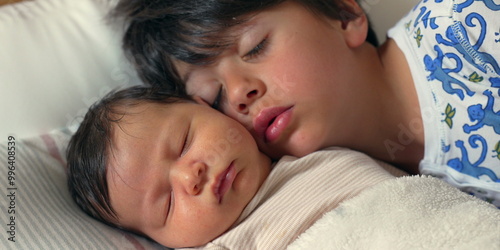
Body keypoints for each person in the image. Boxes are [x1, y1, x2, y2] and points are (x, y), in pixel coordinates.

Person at [110, 0, 500, 206]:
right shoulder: (347, 190)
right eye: (214, 99)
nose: (238, 95)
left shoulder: (459, 22)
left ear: (343, 14)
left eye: (255, 47)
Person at [66, 86, 400, 248]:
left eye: (183, 142)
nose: (190, 176)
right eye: (167, 204)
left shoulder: (313, 144)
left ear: (204, 106)